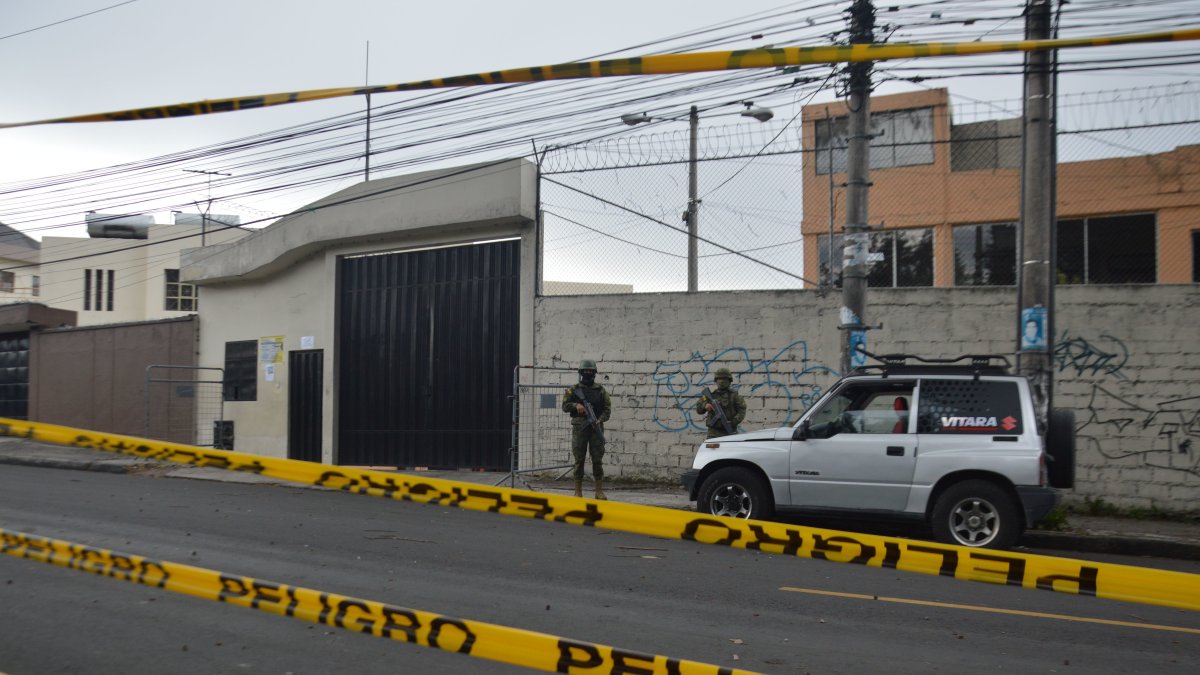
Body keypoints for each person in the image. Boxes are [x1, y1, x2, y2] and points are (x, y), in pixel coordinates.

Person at [561, 358, 612, 499]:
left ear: (594, 373)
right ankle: (578, 491)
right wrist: (575, 406)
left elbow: (607, 410)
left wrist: (599, 420)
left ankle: (599, 491)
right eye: (586, 371)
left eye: (591, 371)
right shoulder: (573, 390)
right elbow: (564, 406)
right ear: (581, 372)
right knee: (579, 459)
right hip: (580, 429)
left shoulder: (601, 391)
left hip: (596, 428)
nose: (588, 373)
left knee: (597, 459)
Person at [695, 368, 746, 439]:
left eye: (724, 379)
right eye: (719, 379)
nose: (721, 381)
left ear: (729, 381)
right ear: (716, 380)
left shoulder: (734, 396)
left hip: (729, 430)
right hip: (713, 432)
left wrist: (733, 422)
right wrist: (705, 406)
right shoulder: (710, 396)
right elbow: (698, 409)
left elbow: (742, 411)